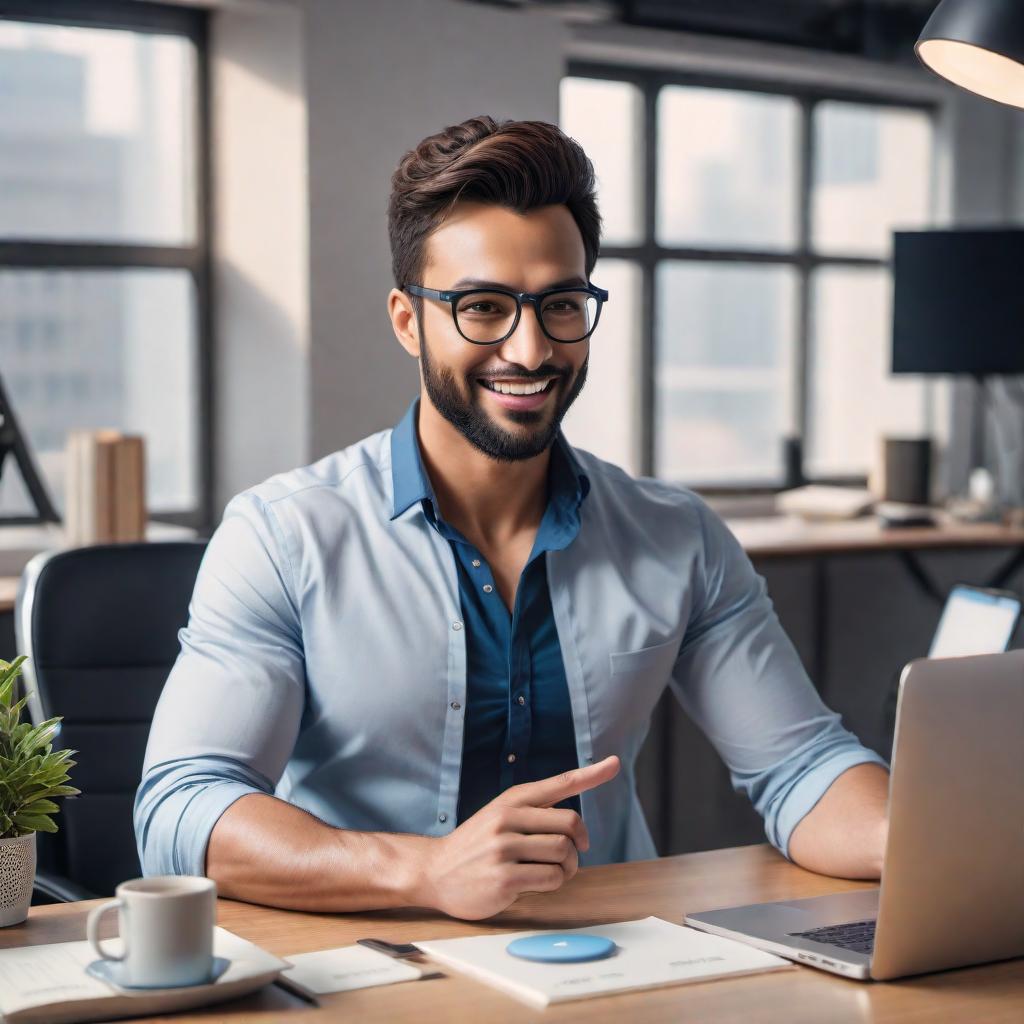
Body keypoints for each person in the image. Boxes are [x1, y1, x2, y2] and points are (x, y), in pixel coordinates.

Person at [135, 116, 890, 921]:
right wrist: (424, 871)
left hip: (618, 965)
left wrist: (929, 839)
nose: (531, 350)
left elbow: (803, 766)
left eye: (561, 304)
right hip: (363, 973)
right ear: (406, 320)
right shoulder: (282, 537)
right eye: (483, 307)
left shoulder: (676, 537)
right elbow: (183, 811)